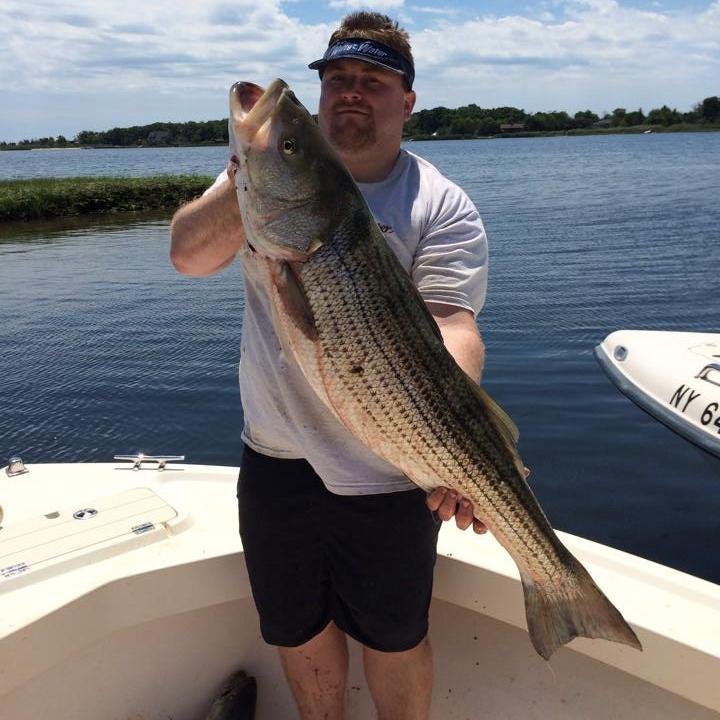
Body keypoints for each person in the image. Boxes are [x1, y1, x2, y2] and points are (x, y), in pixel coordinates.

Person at [170, 12, 488, 720]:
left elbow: (454, 327)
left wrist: (455, 444)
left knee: (395, 637)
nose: (351, 92)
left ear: (405, 102)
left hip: (391, 460)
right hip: (276, 458)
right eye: (337, 78)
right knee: (299, 631)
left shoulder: (440, 206)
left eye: (372, 81)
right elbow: (188, 256)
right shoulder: (265, 172)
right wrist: (254, 177)